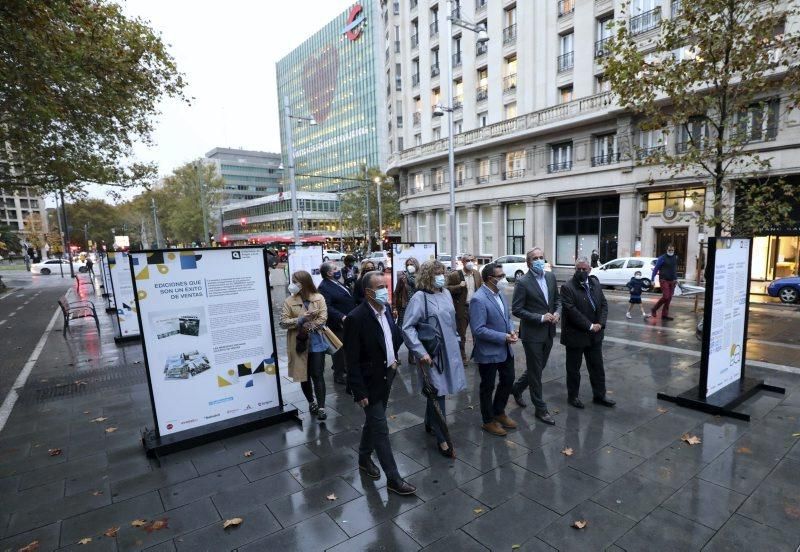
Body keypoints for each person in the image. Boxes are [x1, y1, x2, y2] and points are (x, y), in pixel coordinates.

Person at [345, 271, 416, 496]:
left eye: (386, 285)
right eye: (380, 287)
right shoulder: (356, 318)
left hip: (387, 375)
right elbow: (351, 359)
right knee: (381, 428)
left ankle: (364, 458)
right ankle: (393, 479)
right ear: (368, 292)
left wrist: (393, 360)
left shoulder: (386, 312)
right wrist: (359, 391)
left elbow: (391, 338)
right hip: (368, 383)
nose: (386, 290)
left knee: (373, 423)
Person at [402, 260, 466, 457]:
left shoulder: (446, 293)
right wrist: (421, 352)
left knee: (439, 391)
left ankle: (430, 423)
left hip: (450, 350)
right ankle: (443, 439)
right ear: (428, 276)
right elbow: (407, 327)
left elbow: (451, 320)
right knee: (438, 391)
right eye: (437, 273)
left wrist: (457, 340)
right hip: (432, 353)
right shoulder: (419, 298)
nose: (441, 276)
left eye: (443, 272)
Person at [510, 247, 561, 425]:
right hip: (532, 334)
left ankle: (516, 388)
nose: (539, 260)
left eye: (541, 257)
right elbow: (516, 309)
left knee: (537, 368)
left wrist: (557, 312)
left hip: (548, 332)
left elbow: (557, 301)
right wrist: (540, 317)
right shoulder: (523, 282)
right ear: (529, 262)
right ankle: (540, 408)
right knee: (536, 372)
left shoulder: (550, 277)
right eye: (535, 258)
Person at [469, 262, 519, 436]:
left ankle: (499, 412)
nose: (504, 279)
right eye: (500, 276)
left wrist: (511, 330)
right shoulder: (478, 298)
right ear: (490, 279)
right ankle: (488, 420)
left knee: (508, 380)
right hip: (489, 351)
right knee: (487, 386)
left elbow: (507, 317)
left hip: (505, 349)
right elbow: (478, 329)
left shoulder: (501, 294)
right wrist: (503, 337)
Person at [560, 257, 615, 409]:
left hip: (595, 335)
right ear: (575, 269)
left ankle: (600, 395)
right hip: (575, 335)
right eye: (579, 269)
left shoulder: (595, 283)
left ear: (590, 269)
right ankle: (573, 397)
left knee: (597, 367)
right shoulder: (567, 287)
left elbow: (603, 304)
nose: (582, 272)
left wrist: (601, 324)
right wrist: (590, 326)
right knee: (573, 369)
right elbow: (571, 311)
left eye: (584, 269)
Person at [280, 270, 329, 421]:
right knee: (304, 376)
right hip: (299, 343)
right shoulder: (289, 301)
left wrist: (309, 326)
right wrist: (300, 319)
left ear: (304, 283)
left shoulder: (318, 298)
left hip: (316, 343)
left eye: (295, 281)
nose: (292, 284)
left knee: (318, 374)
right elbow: (283, 322)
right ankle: (311, 402)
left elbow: (323, 318)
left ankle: (321, 407)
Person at [318, 262, 356, 385]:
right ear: (329, 273)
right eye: (335, 269)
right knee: (339, 349)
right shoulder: (324, 287)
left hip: (348, 321)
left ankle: (345, 369)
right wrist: (341, 317)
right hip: (337, 323)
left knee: (346, 348)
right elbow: (327, 307)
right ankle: (340, 374)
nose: (338, 270)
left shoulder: (335, 281)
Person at [445, 253, 482, 363]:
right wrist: (458, 286)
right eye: (467, 260)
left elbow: (480, 288)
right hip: (462, 308)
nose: (470, 263)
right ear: (463, 262)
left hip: (475, 307)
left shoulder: (476, 274)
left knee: (478, 332)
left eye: (472, 260)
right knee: (461, 334)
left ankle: (477, 355)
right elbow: (445, 288)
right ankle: (462, 356)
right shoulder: (456, 275)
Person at [651, 244, 679, 320]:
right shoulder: (662, 258)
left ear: (674, 250)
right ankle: (654, 309)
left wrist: (676, 279)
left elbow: (674, 269)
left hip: (672, 280)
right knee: (666, 296)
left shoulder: (675, 258)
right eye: (669, 250)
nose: (671, 251)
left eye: (672, 250)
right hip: (664, 280)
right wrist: (652, 279)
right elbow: (656, 269)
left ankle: (664, 315)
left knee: (669, 298)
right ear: (666, 250)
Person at [393, 256, 420, 334]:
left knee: (415, 327)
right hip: (404, 306)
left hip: (417, 306)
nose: (409, 266)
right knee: (401, 328)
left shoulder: (420, 278)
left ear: (416, 265)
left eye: (411, 264)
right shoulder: (402, 277)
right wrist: (394, 307)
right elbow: (396, 293)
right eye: (408, 265)